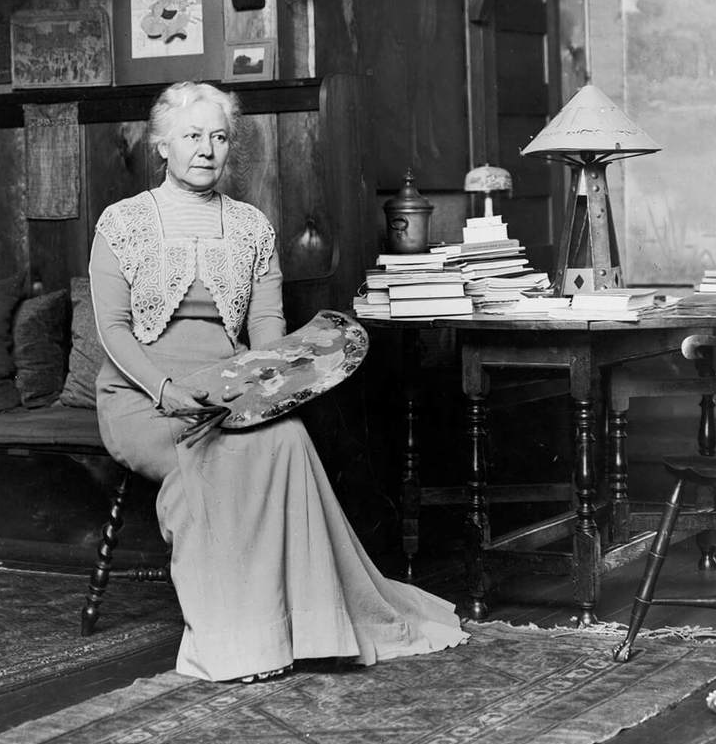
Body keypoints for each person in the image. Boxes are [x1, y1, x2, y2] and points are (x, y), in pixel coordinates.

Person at [91, 80, 468, 683]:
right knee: (210, 461)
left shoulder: (250, 226)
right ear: (162, 145)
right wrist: (165, 391)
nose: (206, 149)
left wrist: (266, 394)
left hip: (229, 387)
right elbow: (112, 328)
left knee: (287, 439)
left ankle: (301, 629)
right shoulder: (123, 222)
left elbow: (268, 329)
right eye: (191, 136)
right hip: (142, 397)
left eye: (218, 137)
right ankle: (232, 644)